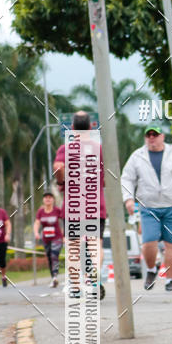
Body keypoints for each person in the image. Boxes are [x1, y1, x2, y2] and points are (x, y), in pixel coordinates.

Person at [121, 126, 172, 294]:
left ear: (162, 136)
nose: (151, 138)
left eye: (155, 134)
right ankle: (152, 269)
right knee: (149, 242)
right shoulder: (137, 156)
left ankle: (170, 281)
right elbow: (127, 178)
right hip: (148, 207)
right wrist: (128, 199)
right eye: (148, 135)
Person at [53, 110, 107, 299]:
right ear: (91, 127)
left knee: (74, 245)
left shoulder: (65, 149)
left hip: (73, 207)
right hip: (94, 205)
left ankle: (75, 287)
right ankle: (93, 280)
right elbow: (106, 175)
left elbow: (58, 167)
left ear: (73, 127)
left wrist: (62, 182)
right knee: (94, 244)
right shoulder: (98, 148)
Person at [34, 190, 64, 287]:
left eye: (50, 197)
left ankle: (55, 276)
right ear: (43, 200)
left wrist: (64, 234)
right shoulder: (40, 211)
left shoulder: (57, 210)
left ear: (53, 200)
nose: (48, 199)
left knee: (54, 255)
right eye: (46, 197)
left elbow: (64, 221)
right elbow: (37, 223)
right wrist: (36, 233)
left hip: (57, 238)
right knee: (49, 257)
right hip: (46, 239)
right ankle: (53, 278)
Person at [0, 194, 11, 287]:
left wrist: (7, 234)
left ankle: (3, 276)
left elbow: (8, 224)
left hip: (1, 241)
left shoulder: (2, 212)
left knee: (1, 261)